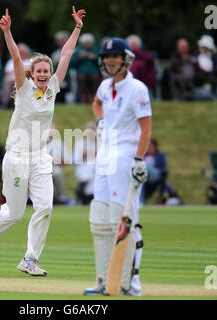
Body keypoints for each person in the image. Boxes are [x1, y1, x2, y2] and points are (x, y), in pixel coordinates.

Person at [0, 7, 86, 276]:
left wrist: (77, 28)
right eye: (38, 71)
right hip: (17, 156)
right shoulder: (24, 89)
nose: (43, 74)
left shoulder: (53, 89)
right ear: (31, 73)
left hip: (39, 157)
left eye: (46, 71)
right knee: (14, 213)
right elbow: (15, 56)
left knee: (46, 207)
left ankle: (30, 259)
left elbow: (68, 54)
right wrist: (7, 31)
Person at [84, 38, 151, 296]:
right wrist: (100, 121)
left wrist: (138, 159)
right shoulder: (103, 86)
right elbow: (97, 103)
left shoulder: (137, 89)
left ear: (126, 60)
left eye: (115, 57)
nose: (110, 61)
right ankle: (104, 281)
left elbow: (146, 128)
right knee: (99, 218)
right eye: (106, 57)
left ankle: (128, 284)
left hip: (125, 155)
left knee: (123, 219)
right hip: (105, 154)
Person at [70, 33, 101, 103]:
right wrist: (79, 58)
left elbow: (101, 62)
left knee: (94, 82)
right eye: (85, 42)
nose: (87, 44)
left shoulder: (95, 50)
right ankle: (83, 101)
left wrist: (95, 58)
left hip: (94, 74)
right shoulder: (78, 50)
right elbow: (71, 63)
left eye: (88, 42)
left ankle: (93, 101)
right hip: (81, 74)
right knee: (82, 83)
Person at [127, 34, 156, 100]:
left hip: (144, 82)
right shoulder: (125, 57)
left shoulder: (145, 56)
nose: (133, 47)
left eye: (135, 44)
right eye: (132, 44)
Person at [193, 35, 217, 100]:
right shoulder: (196, 55)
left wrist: (209, 71)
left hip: (211, 79)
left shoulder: (214, 57)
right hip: (199, 80)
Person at [2, 43, 31, 108]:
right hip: (12, 79)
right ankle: (6, 102)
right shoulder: (11, 62)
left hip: (26, 79)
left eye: (23, 52)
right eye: (20, 52)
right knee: (8, 80)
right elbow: (8, 73)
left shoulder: (30, 62)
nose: (21, 53)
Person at [74, 121, 96, 205]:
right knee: (87, 172)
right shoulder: (80, 144)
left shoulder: (99, 143)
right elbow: (75, 159)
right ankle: (83, 197)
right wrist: (84, 153)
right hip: (83, 166)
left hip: (96, 167)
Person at [46, 124, 69, 205]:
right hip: (40, 168)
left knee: (58, 172)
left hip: (55, 167)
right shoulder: (37, 143)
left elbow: (67, 161)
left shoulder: (59, 143)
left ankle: (61, 196)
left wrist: (56, 160)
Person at [140, 138, 167, 204]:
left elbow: (163, 168)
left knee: (144, 166)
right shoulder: (144, 155)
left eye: (151, 146)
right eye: (147, 146)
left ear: (155, 147)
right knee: (141, 179)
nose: (149, 148)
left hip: (155, 175)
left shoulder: (160, 155)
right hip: (145, 176)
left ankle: (145, 167)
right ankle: (140, 202)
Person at [51, 31, 72, 103]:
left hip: (70, 74)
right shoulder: (55, 54)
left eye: (64, 41)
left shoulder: (74, 51)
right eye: (61, 41)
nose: (62, 43)